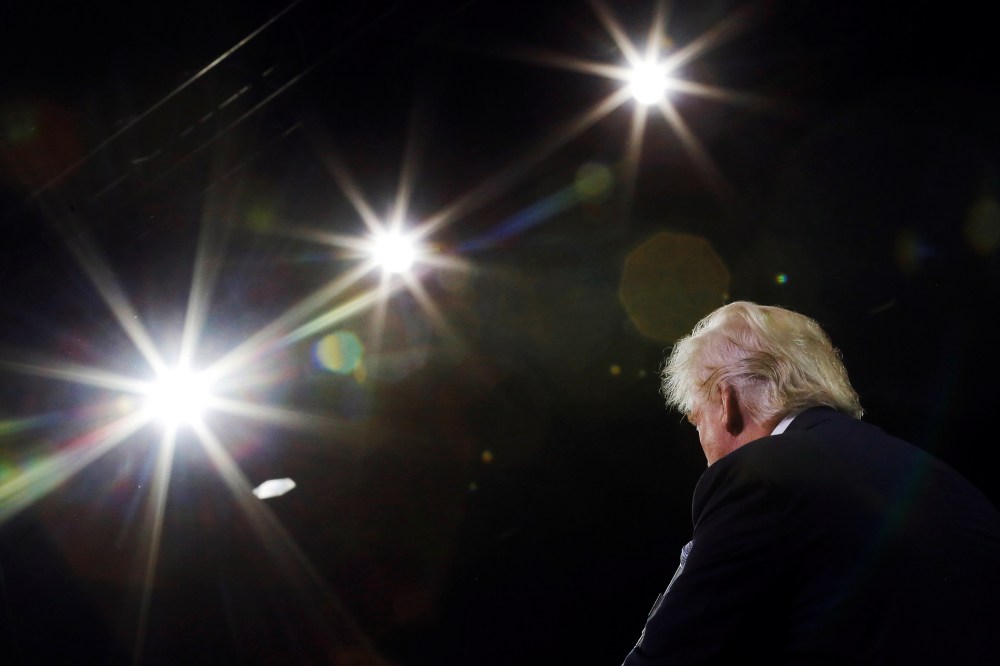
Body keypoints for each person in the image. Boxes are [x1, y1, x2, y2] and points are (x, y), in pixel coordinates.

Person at [622, 301, 1000, 665]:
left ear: (725, 401)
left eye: (697, 421)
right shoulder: (939, 477)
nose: (702, 444)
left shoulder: (758, 475)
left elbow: (671, 653)